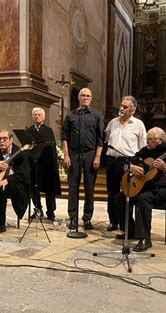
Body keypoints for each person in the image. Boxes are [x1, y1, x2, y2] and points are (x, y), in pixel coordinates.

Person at [114, 127, 166, 252]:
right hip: (146, 187)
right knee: (119, 197)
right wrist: (131, 167)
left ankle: (145, 238)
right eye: (147, 139)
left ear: (160, 141)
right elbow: (127, 162)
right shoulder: (145, 151)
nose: (147, 142)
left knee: (143, 198)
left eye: (150, 139)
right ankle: (130, 230)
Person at [61, 87, 104, 230]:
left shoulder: (96, 116)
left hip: (90, 154)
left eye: (88, 96)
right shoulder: (71, 116)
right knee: (73, 187)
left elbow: (100, 139)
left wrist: (97, 156)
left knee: (89, 187)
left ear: (91, 99)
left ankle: (87, 218)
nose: (85, 98)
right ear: (79, 98)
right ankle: (73, 218)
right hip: (73, 154)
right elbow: (64, 136)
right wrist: (66, 155)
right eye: (83, 95)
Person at [104, 95, 146, 232]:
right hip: (112, 161)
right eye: (121, 106)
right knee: (111, 192)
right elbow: (106, 140)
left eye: (125, 107)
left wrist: (138, 164)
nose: (121, 109)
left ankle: (126, 224)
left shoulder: (139, 125)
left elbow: (142, 147)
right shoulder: (112, 123)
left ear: (132, 110)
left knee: (127, 193)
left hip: (129, 162)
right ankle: (113, 221)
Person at [27, 107, 61, 221]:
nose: (37, 116)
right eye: (35, 114)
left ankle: (50, 212)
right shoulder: (30, 130)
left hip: (47, 164)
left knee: (49, 189)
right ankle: (38, 209)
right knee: (33, 188)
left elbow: (50, 147)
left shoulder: (48, 130)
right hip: (34, 164)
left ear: (43, 117)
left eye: (39, 114)